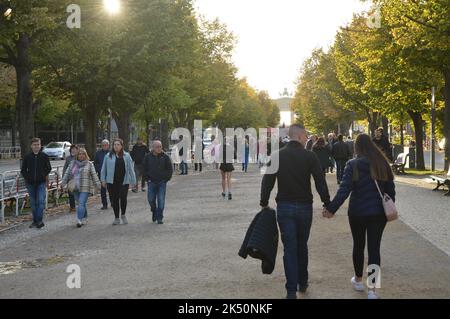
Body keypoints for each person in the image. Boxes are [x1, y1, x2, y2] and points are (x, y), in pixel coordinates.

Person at [260, 124, 331, 299]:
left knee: (289, 249)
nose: (307, 138)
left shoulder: (277, 155)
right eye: (305, 135)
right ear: (299, 136)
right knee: (302, 245)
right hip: (305, 206)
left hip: (284, 206)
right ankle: (303, 281)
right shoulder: (310, 156)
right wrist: (327, 203)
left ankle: (291, 290)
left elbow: (267, 181)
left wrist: (264, 202)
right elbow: (319, 181)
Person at [323, 134, 395, 299]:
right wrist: (388, 207)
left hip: (357, 213)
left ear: (357, 147)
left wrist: (331, 209)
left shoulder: (353, 164)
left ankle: (358, 280)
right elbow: (390, 191)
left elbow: (344, 190)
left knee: (358, 245)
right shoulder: (383, 163)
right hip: (378, 213)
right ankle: (372, 290)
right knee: (374, 249)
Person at [61, 148, 101, 228]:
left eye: (83, 154)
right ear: (77, 155)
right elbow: (67, 173)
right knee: (81, 204)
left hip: (85, 187)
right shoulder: (72, 163)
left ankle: (79, 220)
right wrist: (63, 183)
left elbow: (94, 175)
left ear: (85, 155)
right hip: (75, 187)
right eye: (80, 154)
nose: (81, 155)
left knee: (81, 203)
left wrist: (98, 185)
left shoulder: (89, 164)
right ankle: (85, 217)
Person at [100, 138, 136, 226]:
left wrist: (133, 181)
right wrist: (103, 180)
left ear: (121, 146)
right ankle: (116, 218)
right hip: (111, 182)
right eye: (115, 144)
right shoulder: (108, 156)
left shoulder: (126, 156)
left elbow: (131, 169)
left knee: (123, 198)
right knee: (114, 200)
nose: (116, 146)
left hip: (124, 181)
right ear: (112, 146)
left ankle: (123, 214)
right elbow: (103, 169)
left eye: (118, 144)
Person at [21, 138, 52, 229]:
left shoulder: (44, 156)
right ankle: (35, 221)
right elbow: (23, 170)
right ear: (31, 146)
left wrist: (42, 175)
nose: (36, 146)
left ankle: (39, 220)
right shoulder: (27, 157)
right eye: (34, 145)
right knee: (33, 203)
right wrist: (28, 177)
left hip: (41, 183)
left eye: (38, 144)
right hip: (30, 183)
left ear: (40, 145)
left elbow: (48, 168)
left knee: (40, 201)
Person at [143, 140, 173, 224]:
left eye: (160, 146)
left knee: (161, 200)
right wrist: (147, 179)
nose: (159, 148)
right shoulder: (148, 157)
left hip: (161, 182)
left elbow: (170, 169)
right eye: (157, 147)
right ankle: (154, 211)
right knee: (150, 199)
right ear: (153, 148)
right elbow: (144, 168)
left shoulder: (165, 157)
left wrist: (166, 179)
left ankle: (160, 217)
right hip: (151, 182)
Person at [94, 140, 110, 210]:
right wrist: (99, 169)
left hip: (110, 174)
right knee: (103, 190)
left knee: (111, 189)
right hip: (101, 174)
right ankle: (104, 204)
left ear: (108, 145)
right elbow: (95, 163)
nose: (104, 146)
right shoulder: (98, 153)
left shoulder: (111, 153)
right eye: (103, 145)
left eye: (106, 145)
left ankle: (113, 202)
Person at [63, 144, 79, 212]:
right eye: (72, 149)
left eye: (75, 149)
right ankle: (72, 207)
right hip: (70, 179)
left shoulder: (80, 157)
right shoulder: (68, 158)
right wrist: (64, 178)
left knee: (78, 193)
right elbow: (65, 168)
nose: (74, 150)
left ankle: (80, 204)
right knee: (71, 194)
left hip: (78, 179)